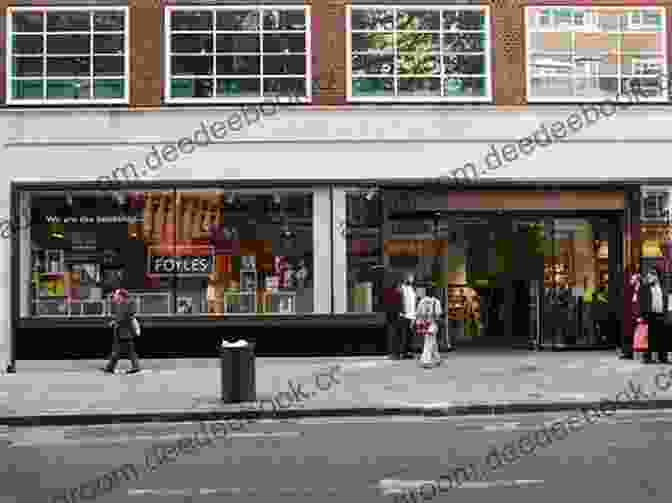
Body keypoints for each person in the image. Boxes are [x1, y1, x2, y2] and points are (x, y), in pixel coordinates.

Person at [103, 288, 141, 374]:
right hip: (121, 332)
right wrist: (115, 322)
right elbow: (122, 317)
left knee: (122, 351)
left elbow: (128, 317)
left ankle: (110, 367)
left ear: (121, 296)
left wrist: (116, 322)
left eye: (116, 294)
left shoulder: (127, 303)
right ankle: (111, 367)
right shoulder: (121, 304)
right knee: (125, 351)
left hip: (125, 332)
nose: (114, 296)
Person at [638, 267, 668, 364]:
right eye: (649, 274)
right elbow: (640, 302)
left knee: (662, 337)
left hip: (661, 314)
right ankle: (647, 357)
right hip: (649, 314)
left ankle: (663, 357)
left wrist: (666, 313)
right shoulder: (644, 287)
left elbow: (666, 301)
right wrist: (641, 315)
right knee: (648, 337)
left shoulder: (663, 287)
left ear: (657, 276)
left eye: (652, 274)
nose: (650, 276)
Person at [416, 287, 442, 368]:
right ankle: (425, 361)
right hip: (432, 324)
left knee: (432, 341)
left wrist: (419, 323)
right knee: (428, 342)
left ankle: (437, 359)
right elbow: (438, 314)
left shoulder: (422, 301)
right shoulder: (436, 301)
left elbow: (418, 313)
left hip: (424, 325)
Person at [383, 274, 404, 360]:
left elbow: (386, 304)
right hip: (395, 316)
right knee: (396, 335)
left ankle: (393, 353)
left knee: (392, 335)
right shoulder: (397, 293)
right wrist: (401, 312)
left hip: (390, 316)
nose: (400, 287)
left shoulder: (388, 292)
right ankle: (396, 353)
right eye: (399, 285)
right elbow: (400, 305)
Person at [400, 273, 417, 359]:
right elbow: (401, 300)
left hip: (412, 315)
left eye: (412, 278)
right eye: (410, 278)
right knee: (405, 334)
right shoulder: (402, 288)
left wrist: (414, 314)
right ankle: (403, 352)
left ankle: (409, 351)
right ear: (405, 278)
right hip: (404, 314)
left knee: (410, 335)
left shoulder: (412, 288)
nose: (411, 280)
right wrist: (402, 312)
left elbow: (413, 301)